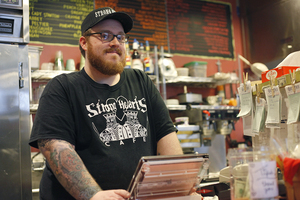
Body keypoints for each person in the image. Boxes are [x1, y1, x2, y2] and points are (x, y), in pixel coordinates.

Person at [29, 7, 183, 200]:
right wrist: (93, 195)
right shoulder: (62, 88)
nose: (115, 43)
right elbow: (56, 149)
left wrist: (179, 186)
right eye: (105, 35)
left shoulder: (141, 81)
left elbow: (166, 136)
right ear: (84, 43)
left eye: (120, 37)